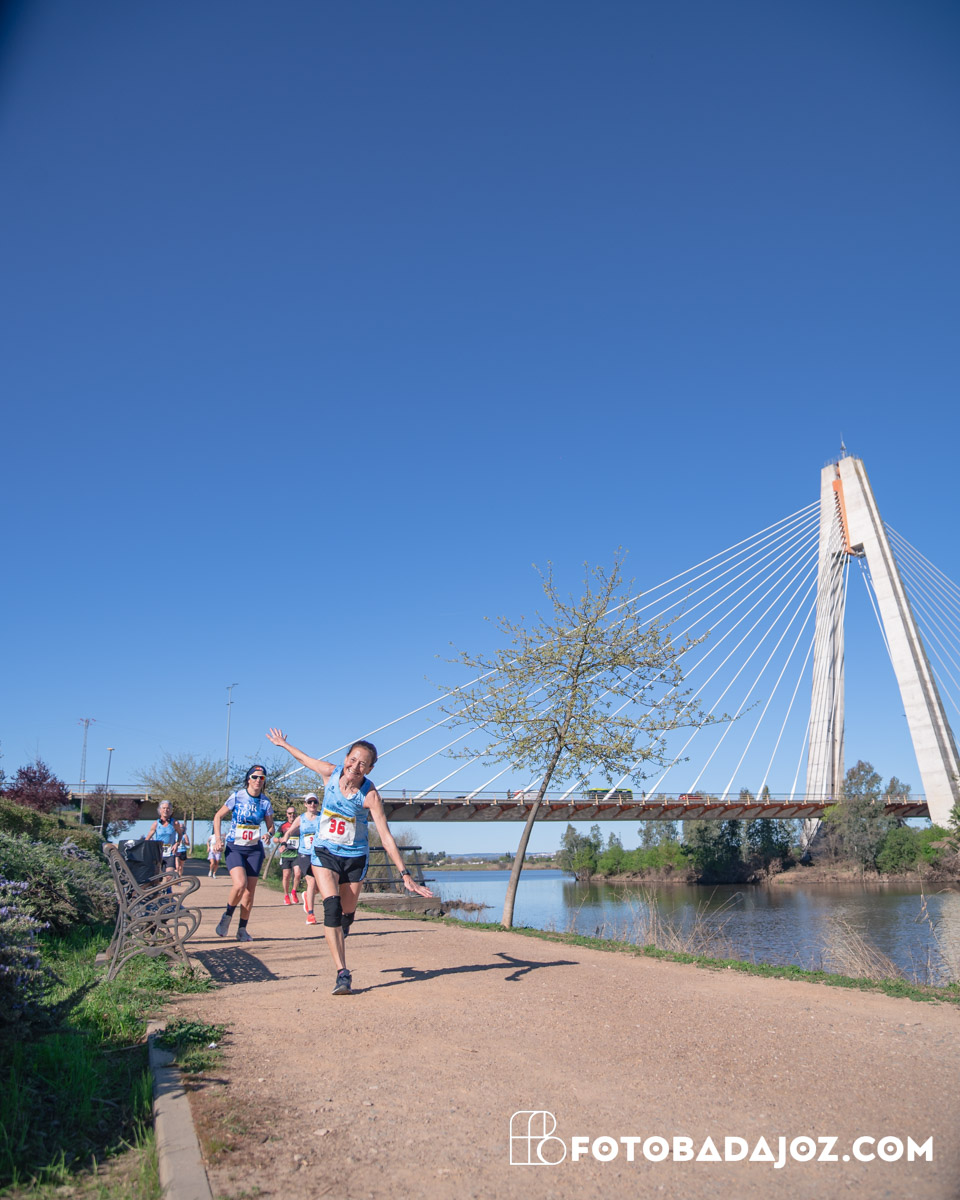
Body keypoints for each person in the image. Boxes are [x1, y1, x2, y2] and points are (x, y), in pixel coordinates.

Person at [267, 728, 433, 994]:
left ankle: (345, 924)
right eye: (352, 760)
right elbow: (304, 759)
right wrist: (284, 745)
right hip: (324, 851)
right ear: (345, 758)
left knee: (346, 913)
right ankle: (342, 973)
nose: (355, 767)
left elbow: (386, 837)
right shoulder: (330, 773)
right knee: (331, 907)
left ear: (370, 769)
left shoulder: (370, 796)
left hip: (354, 857)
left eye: (362, 764)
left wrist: (405, 874)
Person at [211, 765, 276, 942]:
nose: (258, 780)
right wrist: (218, 839)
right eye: (254, 777)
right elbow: (218, 816)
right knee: (240, 884)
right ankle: (227, 916)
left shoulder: (265, 802)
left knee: (249, 892)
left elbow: (271, 826)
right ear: (248, 779)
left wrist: (269, 834)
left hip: (254, 850)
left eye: (261, 778)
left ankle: (242, 929)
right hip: (235, 847)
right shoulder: (237, 796)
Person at [276, 792, 322, 924]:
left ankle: (307, 895)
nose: (312, 804)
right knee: (311, 881)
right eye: (309, 802)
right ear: (305, 804)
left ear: (318, 804)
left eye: (315, 802)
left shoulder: (322, 817)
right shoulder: (301, 818)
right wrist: (284, 842)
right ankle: (311, 914)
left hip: (319, 853)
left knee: (322, 884)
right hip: (304, 854)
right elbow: (289, 831)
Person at [146, 801, 183, 876]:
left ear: (171, 811)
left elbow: (180, 834)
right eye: (164, 808)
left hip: (170, 853)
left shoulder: (175, 823)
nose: (166, 810)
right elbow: (147, 839)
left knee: (169, 875)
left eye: (168, 808)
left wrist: (177, 843)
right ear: (160, 810)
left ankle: (168, 884)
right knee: (156, 877)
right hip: (158, 853)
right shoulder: (156, 824)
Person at [276, 804, 301, 905]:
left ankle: (293, 891)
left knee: (298, 873)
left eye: (294, 813)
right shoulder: (283, 826)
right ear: (287, 814)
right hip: (286, 854)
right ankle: (286, 895)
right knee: (286, 875)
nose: (292, 815)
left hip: (297, 854)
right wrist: (281, 840)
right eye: (290, 813)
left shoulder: (300, 825)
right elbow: (275, 838)